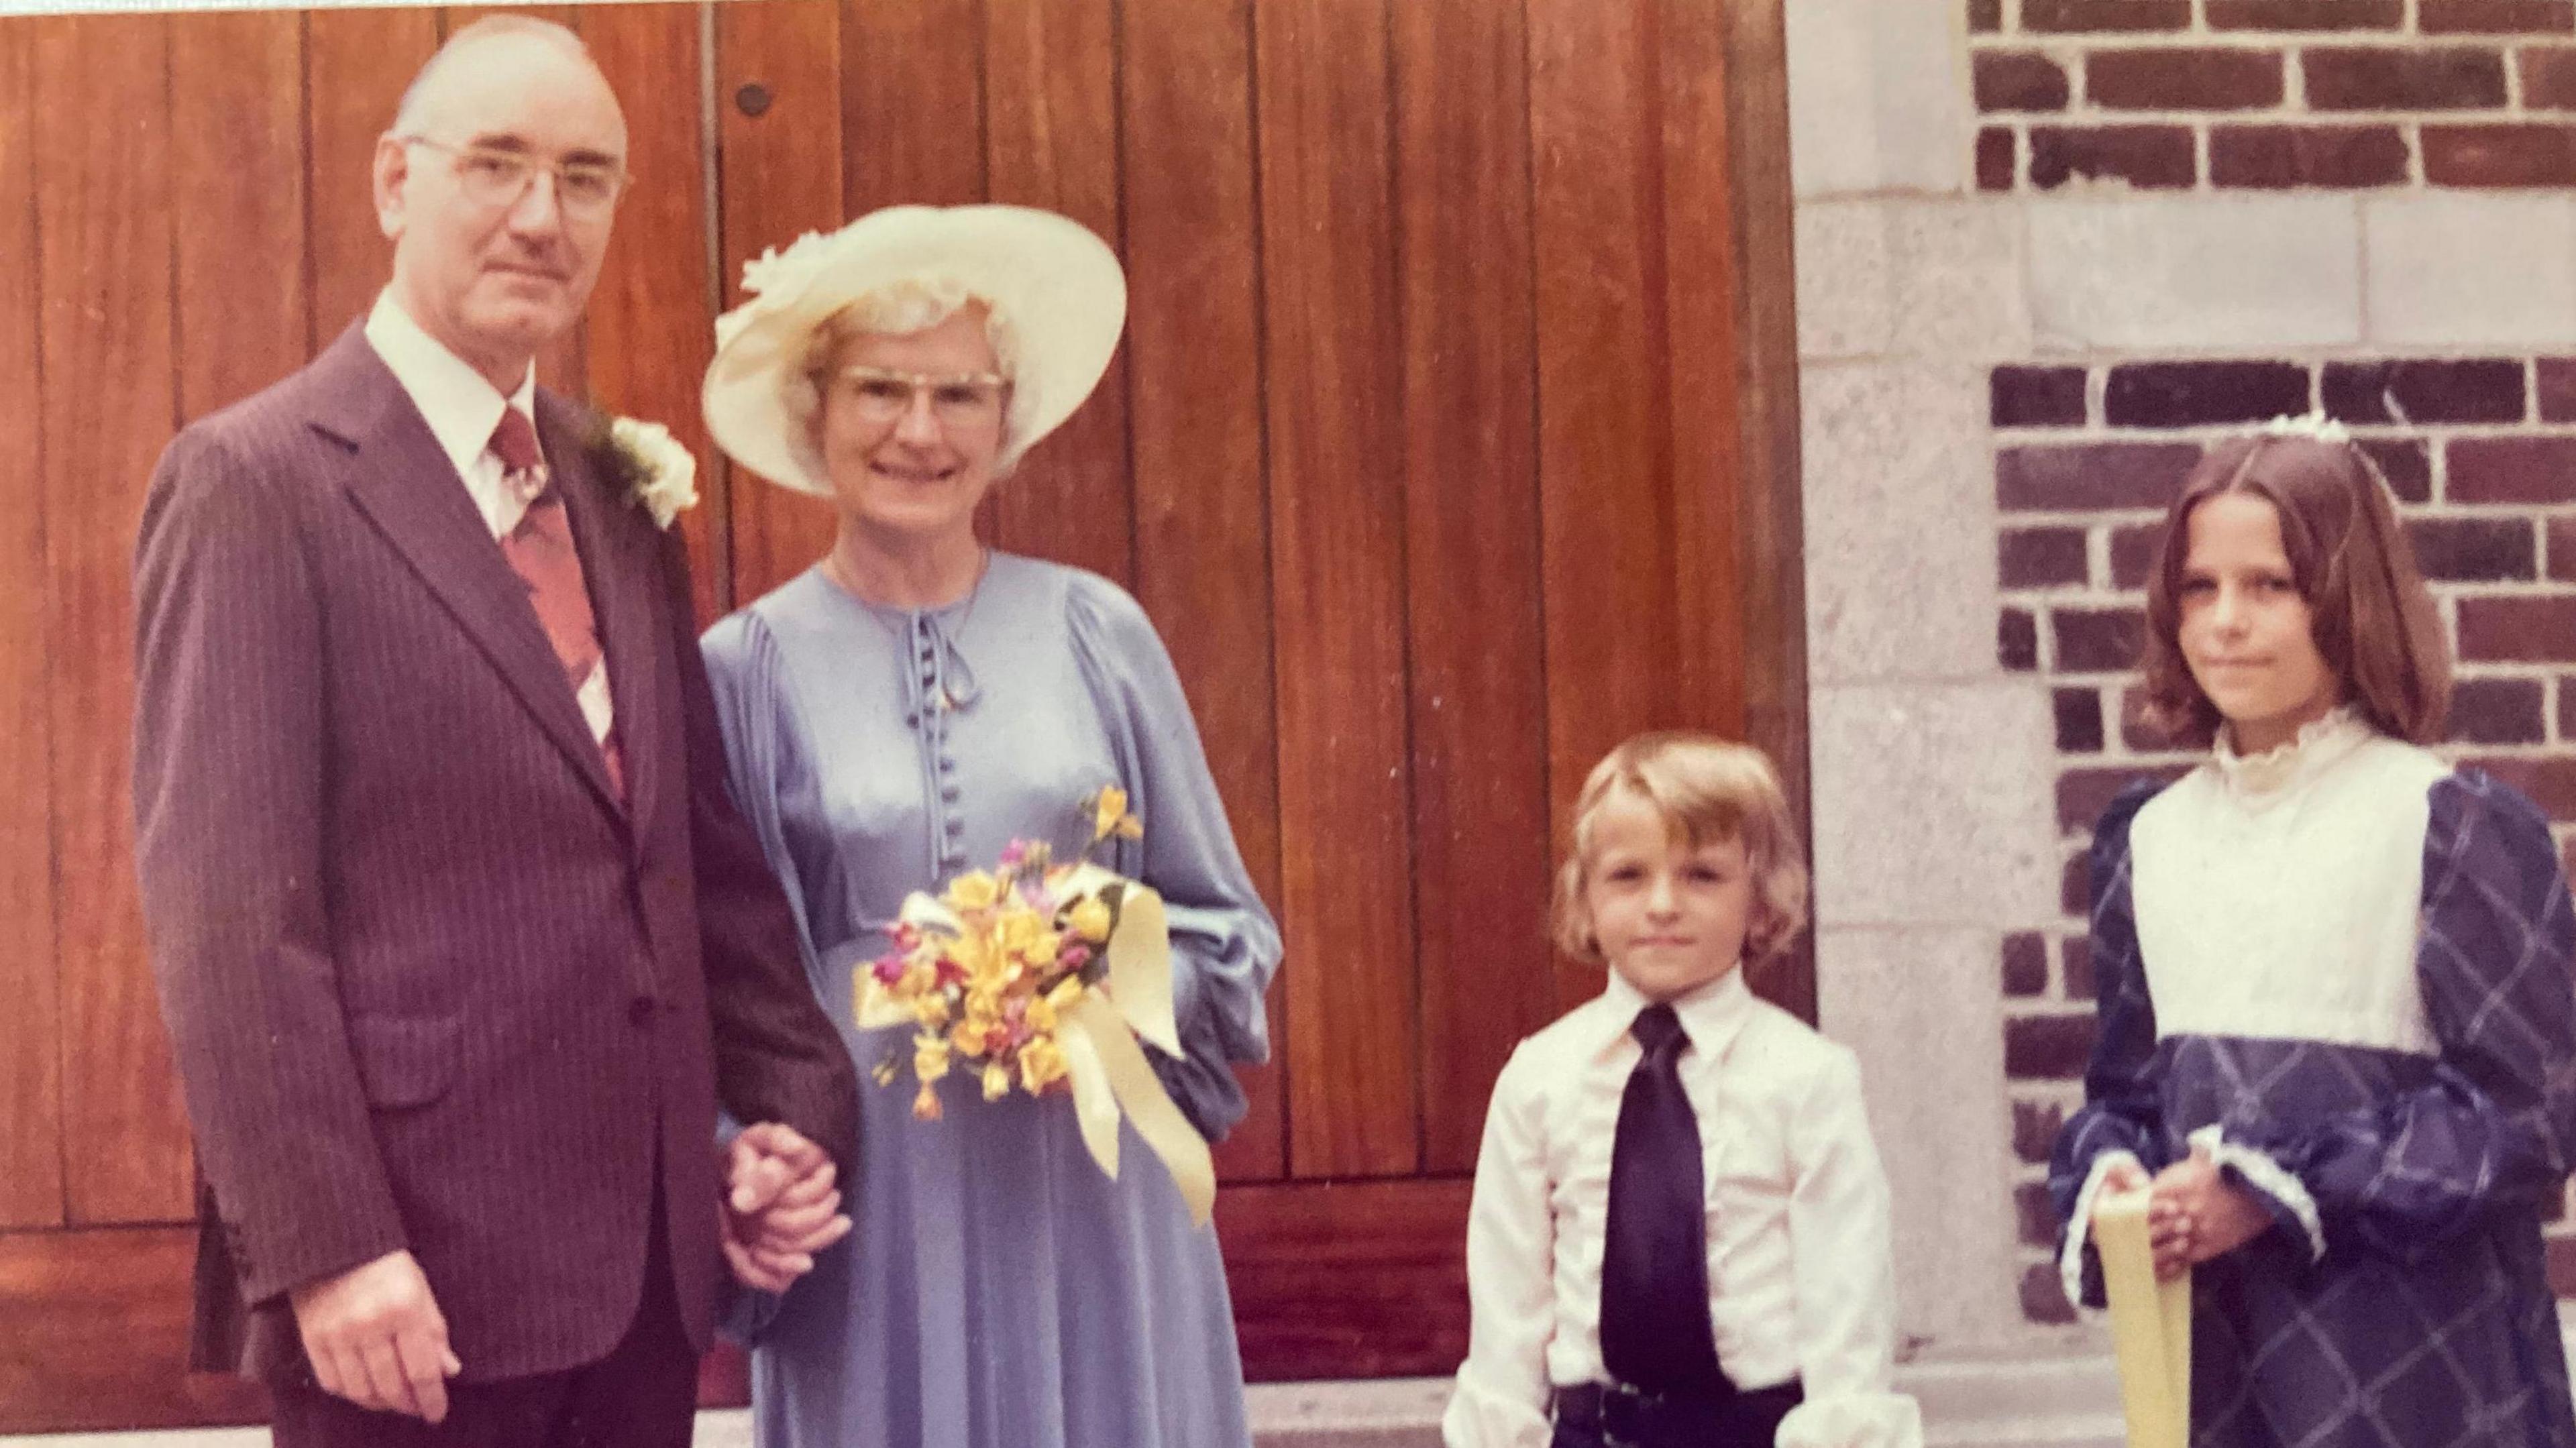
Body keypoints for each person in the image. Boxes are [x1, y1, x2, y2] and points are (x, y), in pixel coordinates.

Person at [130, 18, 858, 1447]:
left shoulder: (611, 488)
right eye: (499, 165)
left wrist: (792, 1109)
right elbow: (228, 921)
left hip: (645, 1279)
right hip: (408, 1298)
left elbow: (694, 863)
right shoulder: (256, 481)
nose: (543, 215)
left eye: (586, 177)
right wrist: (333, 1248)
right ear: (398, 181)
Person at [696, 203, 1283, 1448]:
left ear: (1006, 423)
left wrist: (1089, 969)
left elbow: (1226, 934)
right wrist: (747, 1160)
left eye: (960, 394)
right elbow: (708, 981)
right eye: (881, 390)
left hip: (1093, 1182)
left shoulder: (1097, 630)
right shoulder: (740, 670)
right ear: (816, 413)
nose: (921, 429)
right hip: (879, 1204)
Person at [2048, 423, 2576, 1447]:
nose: (2227, 623)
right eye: (2200, 588)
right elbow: (2124, 1088)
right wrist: (2118, 1172)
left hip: (2421, 1354)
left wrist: (2267, 1187)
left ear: (2347, 597)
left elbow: (2530, 1115)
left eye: (2271, 585)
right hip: (2224, 1355)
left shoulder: (2448, 824)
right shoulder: (2148, 838)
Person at [1442, 732, 1919, 1448]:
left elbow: (1846, 1302)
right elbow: (1509, 1295)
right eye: (1629, 875)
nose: (1663, 903)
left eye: (1701, 875)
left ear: (1761, 901)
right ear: (1585, 898)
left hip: (1754, 1429)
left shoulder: (1809, 1078)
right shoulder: (1540, 1076)